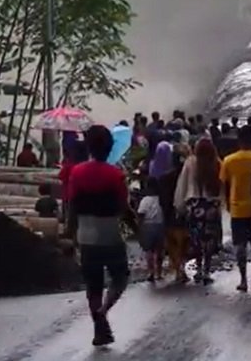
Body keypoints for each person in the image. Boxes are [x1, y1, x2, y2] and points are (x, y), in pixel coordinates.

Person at [68, 125, 130, 346]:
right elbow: (124, 207)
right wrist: (137, 229)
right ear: (110, 147)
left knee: (93, 286)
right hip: (110, 234)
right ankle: (104, 310)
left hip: (85, 235)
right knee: (120, 277)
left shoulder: (77, 173)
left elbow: (72, 206)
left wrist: (71, 234)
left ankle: (99, 330)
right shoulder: (116, 175)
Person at [220, 126, 251, 292]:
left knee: (240, 246)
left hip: (237, 209)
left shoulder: (229, 160)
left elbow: (225, 185)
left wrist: (227, 203)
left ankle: (243, 280)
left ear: (239, 141)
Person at [175, 138, 222, 284]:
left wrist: (179, 205)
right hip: (212, 206)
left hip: (195, 206)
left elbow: (182, 185)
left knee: (196, 241)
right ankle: (207, 271)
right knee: (209, 241)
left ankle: (198, 270)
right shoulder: (217, 163)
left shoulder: (190, 162)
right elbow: (222, 187)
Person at [156, 142, 190, 283]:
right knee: (184, 244)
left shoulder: (164, 178)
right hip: (184, 215)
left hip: (169, 214)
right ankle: (181, 268)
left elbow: (162, 199)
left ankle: (178, 269)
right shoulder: (189, 177)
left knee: (173, 244)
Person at [137, 178, 165, 282]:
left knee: (148, 250)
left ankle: (151, 272)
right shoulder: (161, 199)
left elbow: (141, 214)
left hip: (148, 226)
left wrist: (139, 228)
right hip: (160, 225)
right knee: (159, 250)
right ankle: (159, 272)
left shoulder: (145, 200)